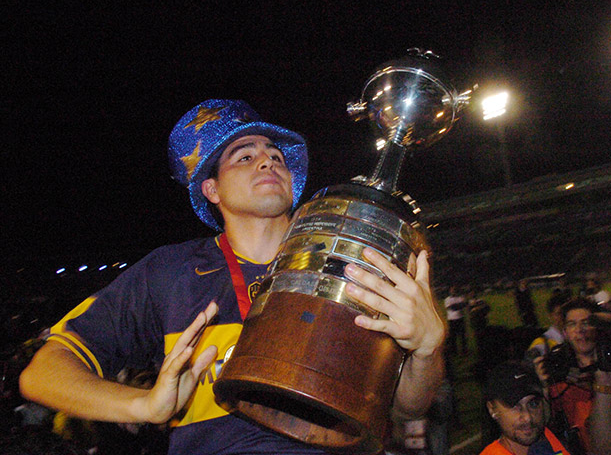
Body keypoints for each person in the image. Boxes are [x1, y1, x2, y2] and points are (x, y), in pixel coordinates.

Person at [19, 99, 446, 454]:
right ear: (212, 190)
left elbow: (408, 408)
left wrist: (427, 349)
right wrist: (142, 406)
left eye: (276, 156)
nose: (268, 160)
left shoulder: (352, 256)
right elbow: (42, 373)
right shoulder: (170, 272)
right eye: (245, 156)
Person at [534, 298, 599, 454]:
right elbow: (542, 425)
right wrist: (542, 387)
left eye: (585, 323)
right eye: (572, 324)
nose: (580, 330)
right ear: (565, 332)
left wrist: (597, 387)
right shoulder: (556, 373)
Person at [480, 360, 571, 455]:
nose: (528, 417)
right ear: (492, 409)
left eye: (533, 404)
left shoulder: (548, 439)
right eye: (514, 406)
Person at [527, 293, 567, 358]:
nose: (563, 316)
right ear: (550, 316)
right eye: (559, 313)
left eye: (566, 312)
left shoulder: (576, 337)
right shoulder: (543, 343)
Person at [444, 286, 468, 356]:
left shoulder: (460, 297)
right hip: (452, 320)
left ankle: (464, 350)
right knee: (453, 337)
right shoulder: (447, 299)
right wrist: (460, 305)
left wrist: (456, 306)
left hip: (460, 318)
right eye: (452, 290)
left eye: (455, 290)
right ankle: (454, 351)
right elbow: (451, 308)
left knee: (462, 336)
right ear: (450, 291)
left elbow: (464, 304)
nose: (453, 291)